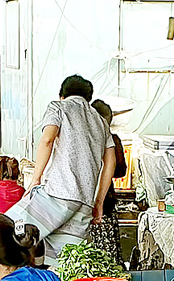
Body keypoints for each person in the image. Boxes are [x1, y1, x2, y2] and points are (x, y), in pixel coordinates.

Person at [8, 75, 116, 260]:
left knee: (7, 230)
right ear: (88, 98)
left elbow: (48, 139)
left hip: (56, 194)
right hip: (84, 203)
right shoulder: (100, 121)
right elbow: (111, 161)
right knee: (62, 261)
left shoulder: (58, 107)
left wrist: (35, 179)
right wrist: (98, 202)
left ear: (62, 95)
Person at [88, 99, 128, 260]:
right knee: (108, 256)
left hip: (88, 203)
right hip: (105, 204)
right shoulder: (112, 139)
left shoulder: (85, 141)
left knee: (89, 257)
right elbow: (120, 171)